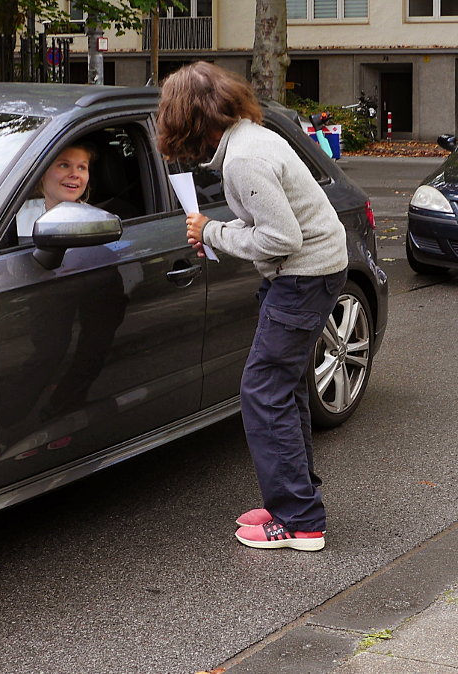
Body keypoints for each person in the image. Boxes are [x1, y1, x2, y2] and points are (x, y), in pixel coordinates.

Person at [156, 61, 348, 551]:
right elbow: (279, 227)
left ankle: (300, 521)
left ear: (190, 118)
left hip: (303, 277)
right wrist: (221, 232)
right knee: (281, 389)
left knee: (263, 393)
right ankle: (295, 500)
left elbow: (282, 238)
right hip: (311, 272)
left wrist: (212, 231)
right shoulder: (251, 137)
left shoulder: (244, 159)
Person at [16, 143, 94, 237]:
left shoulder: (98, 221)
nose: (75, 174)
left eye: (82, 167)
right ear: (42, 172)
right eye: (64, 165)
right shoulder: (15, 215)